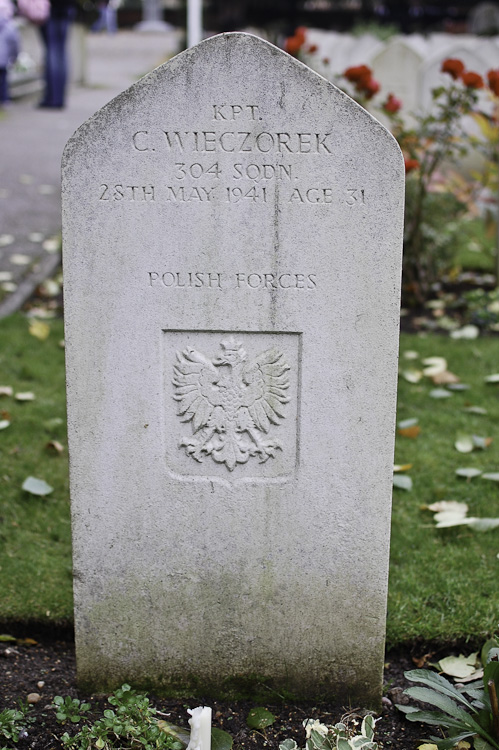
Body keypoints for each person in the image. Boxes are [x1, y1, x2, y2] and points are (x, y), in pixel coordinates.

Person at [38, 0, 75, 108]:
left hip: (50, 7)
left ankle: (52, 98)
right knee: (61, 52)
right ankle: (59, 98)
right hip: (67, 6)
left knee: (52, 51)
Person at [0, 0, 19, 106]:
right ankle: (4, 99)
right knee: (3, 80)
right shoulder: (10, 26)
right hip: (3, 60)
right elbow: (15, 43)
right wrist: (14, 56)